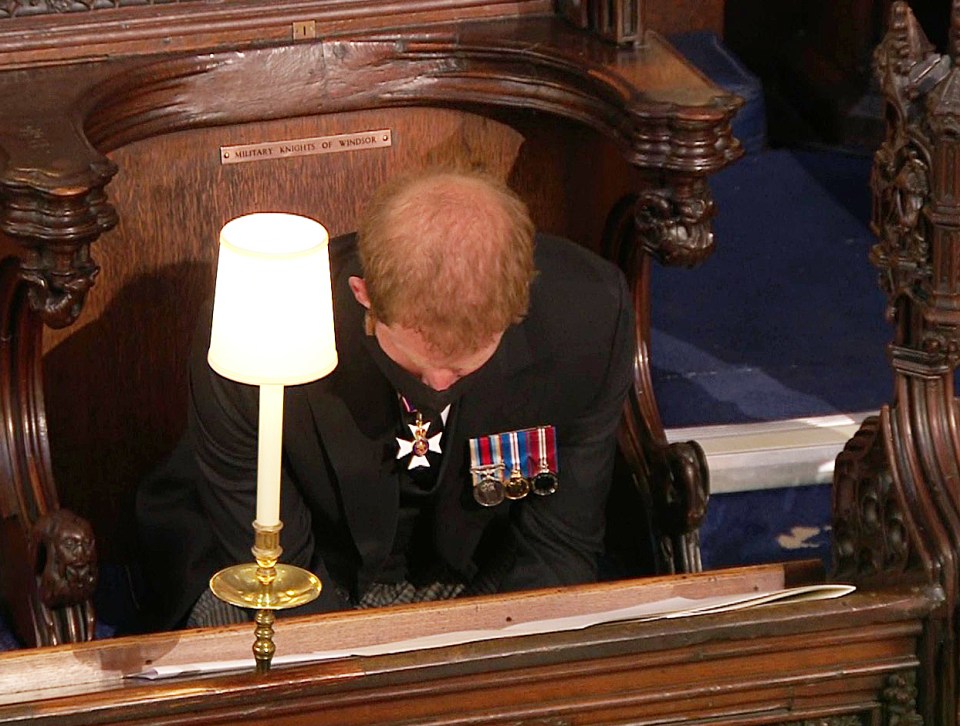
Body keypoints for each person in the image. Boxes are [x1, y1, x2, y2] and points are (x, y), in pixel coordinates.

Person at [136, 168, 636, 629]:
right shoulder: (266, 321)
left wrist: (501, 654)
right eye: (417, 364)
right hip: (295, 561)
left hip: (471, 561)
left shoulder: (589, 319)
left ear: (516, 312)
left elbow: (559, 540)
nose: (439, 383)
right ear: (364, 295)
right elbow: (272, 551)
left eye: (463, 367)